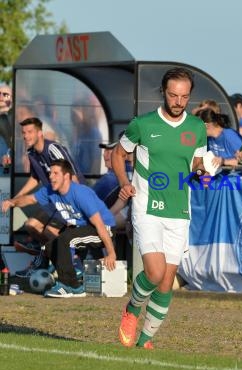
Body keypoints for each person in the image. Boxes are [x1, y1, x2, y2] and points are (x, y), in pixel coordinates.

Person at [112, 67, 207, 350]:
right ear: (164, 93)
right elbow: (119, 154)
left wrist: (203, 173)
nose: (178, 101)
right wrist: (124, 182)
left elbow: (197, 165)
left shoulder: (197, 128)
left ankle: (145, 341)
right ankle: (131, 310)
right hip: (147, 207)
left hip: (179, 212)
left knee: (166, 283)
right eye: (173, 95)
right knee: (153, 273)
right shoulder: (142, 124)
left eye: (184, 97)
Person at [2, 159, 117, 297]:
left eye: (55, 173)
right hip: (84, 228)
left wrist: (111, 253)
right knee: (51, 246)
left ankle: (70, 286)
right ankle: (72, 280)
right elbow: (30, 199)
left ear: (66, 176)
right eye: (50, 173)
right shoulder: (51, 191)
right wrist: (12, 202)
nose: (51, 176)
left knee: (64, 239)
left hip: (105, 229)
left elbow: (99, 224)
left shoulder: (80, 193)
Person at [5, 117, 84, 277]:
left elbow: (72, 175)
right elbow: (35, 178)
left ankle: (72, 264)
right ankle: (47, 260)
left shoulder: (53, 149)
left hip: (69, 199)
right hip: (53, 200)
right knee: (31, 225)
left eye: (30, 132)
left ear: (40, 133)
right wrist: (16, 199)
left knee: (50, 230)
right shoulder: (31, 153)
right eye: (24, 133)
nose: (26, 136)